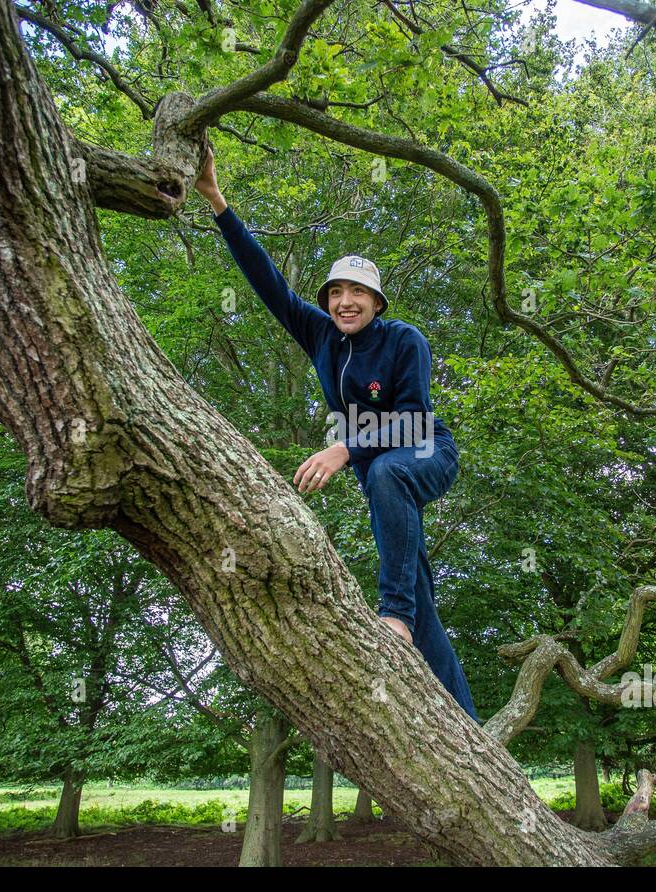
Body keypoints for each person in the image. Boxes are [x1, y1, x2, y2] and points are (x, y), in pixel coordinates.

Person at [194, 144, 479, 721]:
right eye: (336, 294)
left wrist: (346, 446)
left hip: (424, 451)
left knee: (389, 471)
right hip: (379, 475)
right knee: (422, 589)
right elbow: (266, 279)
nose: (345, 302)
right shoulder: (321, 335)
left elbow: (415, 418)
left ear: (376, 301)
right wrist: (216, 200)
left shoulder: (405, 341)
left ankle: (391, 617)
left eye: (358, 294)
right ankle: (467, 723)